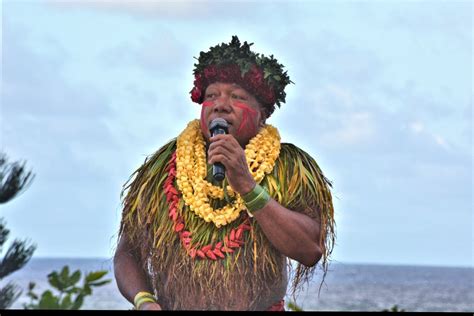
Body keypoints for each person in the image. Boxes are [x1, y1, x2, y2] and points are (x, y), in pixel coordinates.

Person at [113, 36, 336, 311]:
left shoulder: (288, 166)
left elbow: (310, 250)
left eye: (237, 97)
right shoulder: (165, 167)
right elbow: (128, 252)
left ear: (263, 113)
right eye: (212, 96)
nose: (220, 104)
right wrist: (145, 301)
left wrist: (247, 185)